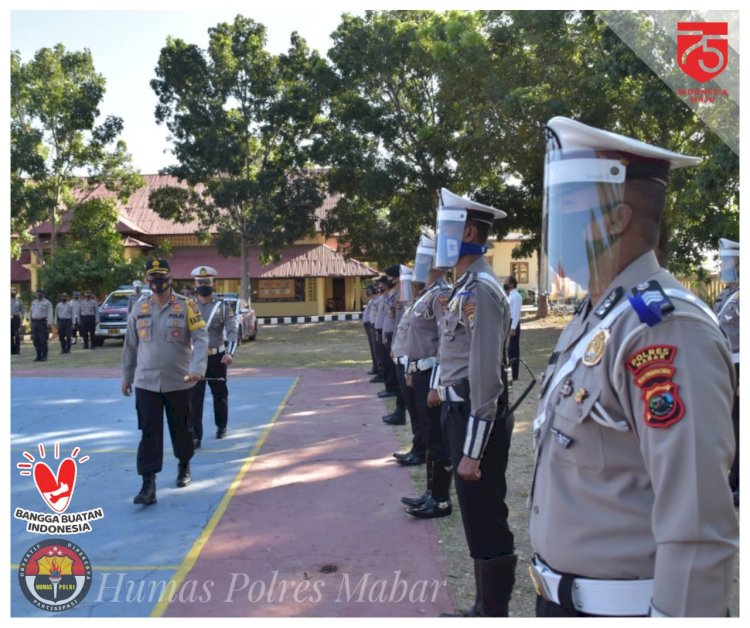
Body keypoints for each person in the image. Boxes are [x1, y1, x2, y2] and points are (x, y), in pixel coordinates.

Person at [529, 116, 738, 617]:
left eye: (567, 208)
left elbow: (697, 524)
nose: (555, 228)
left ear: (614, 218)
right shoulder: (598, 314)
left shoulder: (664, 327)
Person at [428, 187, 516, 616]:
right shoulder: (463, 285)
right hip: (457, 410)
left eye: (444, 226)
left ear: (467, 231)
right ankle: (483, 608)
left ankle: (491, 613)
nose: (438, 235)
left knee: (486, 518)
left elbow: (485, 374)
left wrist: (473, 450)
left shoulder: (480, 288)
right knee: (474, 517)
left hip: (475, 416)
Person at [121, 258, 208, 506]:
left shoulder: (186, 305)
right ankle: (148, 484)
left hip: (180, 381)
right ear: (148, 281)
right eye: (153, 278)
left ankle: (184, 465)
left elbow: (201, 338)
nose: (157, 283)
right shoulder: (140, 308)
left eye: (162, 278)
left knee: (181, 429)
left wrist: (197, 369)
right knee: (149, 432)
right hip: (146, 382)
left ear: (170, 279)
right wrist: (126, 377)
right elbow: (131, 345)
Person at [400, 235, 454, 517]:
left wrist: (436, 383)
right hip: (421, 372)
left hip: (434, 373)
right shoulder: (427, 294)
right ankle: (431, 492)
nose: (418, 264)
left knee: (437, 438)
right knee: (429, 435)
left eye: (423, 258)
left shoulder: (443, 294)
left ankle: (442, 499)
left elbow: (447, 340)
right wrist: (411, 371)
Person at [189, 265, 238, 447]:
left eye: (206, 282)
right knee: (194, 398)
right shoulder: (188, 307)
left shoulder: (223, 307)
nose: (203, 285)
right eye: (200, 282)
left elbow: (232, 331)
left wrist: (230, 353)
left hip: (217, 358)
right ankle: (196, 435)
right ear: (195, 285)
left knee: (220, 395)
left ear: (213, 284)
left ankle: (221, 426)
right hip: (196, 359)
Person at [713, 237, 739, 507]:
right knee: (729, 426)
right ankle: (731, 482)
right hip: (727, 364)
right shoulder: (727, 293)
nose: (724, 265)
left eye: (728, 261)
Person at [503, 276, 522, 382]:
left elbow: (515, 313)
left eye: (506, 282)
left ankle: (514, 374)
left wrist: (513, 328)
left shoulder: (516, 296)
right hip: (508, 325)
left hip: (512, 325)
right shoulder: (510, 295)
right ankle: (509, 371)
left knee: (513, 350)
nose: (504, 283)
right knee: (508, 350)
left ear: (511, 284)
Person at [29, 289, 53, 362]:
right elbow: (31, 312)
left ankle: (44, 356)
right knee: (35, 341)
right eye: (37, 293)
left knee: (43, 340)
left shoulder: (47, 302)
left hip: (42, 323)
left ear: (43, 294)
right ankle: (38, 356)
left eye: (40, 293)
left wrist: (49, 323)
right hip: (34, 323)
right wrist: (30, 322)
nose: (38, 294)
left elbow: (49, 313)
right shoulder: (34, 302)